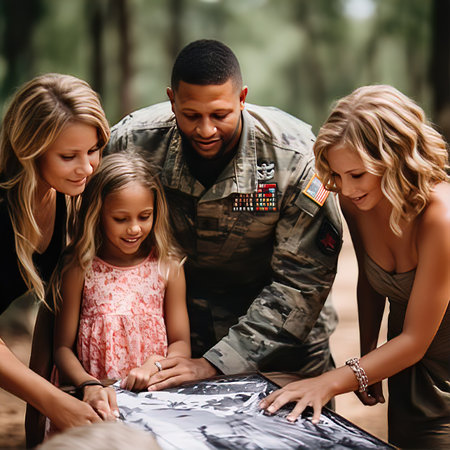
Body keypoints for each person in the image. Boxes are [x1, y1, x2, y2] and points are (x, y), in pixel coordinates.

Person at [106, 39, 343, 391]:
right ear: (172, 100)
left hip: (283, 339)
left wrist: (217, 363)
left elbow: (302, 282)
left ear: (242, 98)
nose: (205, 130)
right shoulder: (132, 143)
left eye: (220, 115)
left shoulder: (292, 157)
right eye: (190, 115)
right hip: (177, 332)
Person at [259, 85, 450, 449]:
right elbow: (369, 282)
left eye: (358, 174)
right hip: (408, 374)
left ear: (394, 157)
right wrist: (366, 363)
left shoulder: (441, 218)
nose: (345, 189)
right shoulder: (359, 202)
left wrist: (332, 381)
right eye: (338, 175)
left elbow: (415, 340)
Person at [0, 73, 110, 438]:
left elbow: (51, 315)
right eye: (68, 156)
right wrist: (50, 401)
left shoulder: (64, 195)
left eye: (92, 150)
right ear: (28, 149)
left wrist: (40, 417)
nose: (88, 168)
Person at [52, 152, 190, 419]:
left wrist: (157, 365)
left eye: (144, 216)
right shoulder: (79, 266)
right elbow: (62, 348)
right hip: (93, 404)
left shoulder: (168, 266)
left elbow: (181, 342)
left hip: (154, 403)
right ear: (97, 213)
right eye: (120, 219)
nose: (134, 229)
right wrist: (88, 384)